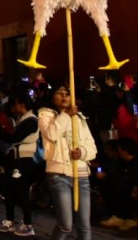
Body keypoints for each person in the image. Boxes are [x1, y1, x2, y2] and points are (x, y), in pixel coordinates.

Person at [38, 84, 97, 240]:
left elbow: (92, 147)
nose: (64, 96)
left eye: (67, 93)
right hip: (59, 174)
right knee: (65, 224)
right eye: (60, 92)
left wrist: (82, 152)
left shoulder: (80, 118)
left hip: (81, 174)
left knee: (84, 225)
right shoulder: (46, 115)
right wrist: (65, 115)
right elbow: (52, 134)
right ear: (53, 97)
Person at [0, 87, 39, 236]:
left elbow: (16, 137)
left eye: (15, 104)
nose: (13, 108)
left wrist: (4, 131)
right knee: (10, 191)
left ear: (22, 104)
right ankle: (10, 220)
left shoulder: (31, 120)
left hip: (23, 161)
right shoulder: (22, 119)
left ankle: (27, 224)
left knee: (21, 192)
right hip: (16, 158)